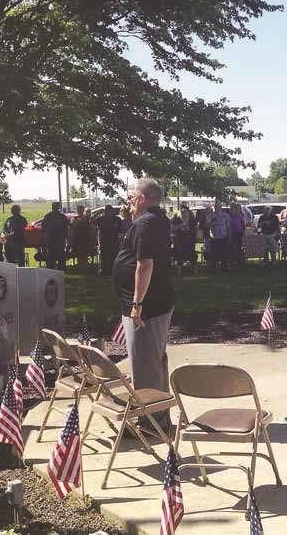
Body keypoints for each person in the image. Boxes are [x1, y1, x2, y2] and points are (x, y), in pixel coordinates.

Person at [112, 178, 175, 431]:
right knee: (151, 362)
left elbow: (145, 265)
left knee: (145, 365)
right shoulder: (150, 221)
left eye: (131, 195)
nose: (127, 198)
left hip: (147, 308)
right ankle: (159, 418)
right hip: (150, 304)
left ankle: (151, 424)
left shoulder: (146, 223)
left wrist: (137, 304)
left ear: (142, 199)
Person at [95, 205, 122, 276]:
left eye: (110, 211)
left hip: (114, 240)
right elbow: (93, 223)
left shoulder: (117, 219)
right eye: (107, 211)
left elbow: (120, 230)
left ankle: (112, 270)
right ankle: (104, 270)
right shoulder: (100, 219)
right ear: (105, 211)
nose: (109, 213)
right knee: (104, 256)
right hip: (103, 240)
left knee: (113, 256)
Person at [42, 202, 69, 270]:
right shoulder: (49, 217)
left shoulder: (49, 216)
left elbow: (66, 230)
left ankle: (58, 271)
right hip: (52, 240)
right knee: (52, 258)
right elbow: (44, 230)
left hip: (59, 240)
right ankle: (54, 271)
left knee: (60, 258)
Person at [207, 200, 231, 271]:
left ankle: (224, 267)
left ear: (221, 207)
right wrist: (214, 223)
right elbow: (207, 225)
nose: (217, 207)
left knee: (224, 253)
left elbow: (228, 227)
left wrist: (230, 237)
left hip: (223, 236)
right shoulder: (211, 215)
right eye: (215, 206)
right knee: (214, 254)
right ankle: (213, 268)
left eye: (218, 206)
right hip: (214, 237)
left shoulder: (225, 215)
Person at [69, 205, 93, 270]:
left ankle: (85, 266)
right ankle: (80, 266)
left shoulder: (87, 219)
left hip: (85, 239)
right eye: (79, 209)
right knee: (79, 254)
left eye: (81, 209)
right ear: (77, 210)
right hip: (77, 239)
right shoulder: (74, 219)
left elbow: (91, 228)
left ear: (83, 210)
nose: (80, 211)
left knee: (85, 253)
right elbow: (71, 230)